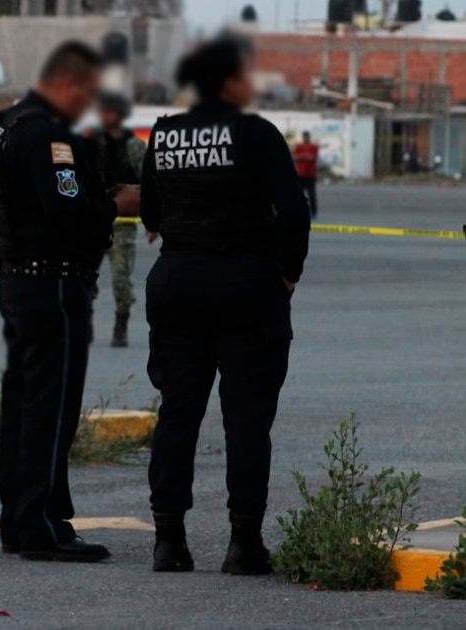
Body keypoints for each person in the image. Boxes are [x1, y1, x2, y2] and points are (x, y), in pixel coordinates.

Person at [140, 36, 311, 575]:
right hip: (245, 285)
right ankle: (243, 544)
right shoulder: (256, 134)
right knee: (246, 418)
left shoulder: (164, 134)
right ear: (230, 82)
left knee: (177, 413)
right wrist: (287, 275)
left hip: (177, 282)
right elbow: (293, 213)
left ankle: (168, 541)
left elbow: (149, 212)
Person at [0, 41, 141, 563]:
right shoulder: (49, 131)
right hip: (51, 284)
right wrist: (117, 204)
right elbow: (66, 208)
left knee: (25, 405)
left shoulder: (13, 122)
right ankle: (43, 525)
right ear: (70, 85)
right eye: (89, 95)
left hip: (22, 280)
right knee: (50, 407)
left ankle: (20, 519)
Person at [84, 93, 148, 348]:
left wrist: (151, 218)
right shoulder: (89, 141)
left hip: (122, 221)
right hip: (95, 217)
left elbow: (148, 182)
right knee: (83, 275)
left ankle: (121, 325)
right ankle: (84, 321)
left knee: (121, 279)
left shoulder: (133, 145)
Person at [293, 131, 319, 220]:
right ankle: (298, 211)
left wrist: (302, 156)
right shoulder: (299, 146)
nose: (306, 138)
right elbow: (295, 158)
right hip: (301, 174)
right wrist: (304, 156)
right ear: (303, 137)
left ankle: (313, 212)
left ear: (309, 137)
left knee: (312, 195)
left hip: (311, 175)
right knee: (298, 195)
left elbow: (313, 158)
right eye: (304, 137)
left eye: (307, 137)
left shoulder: (314, 146)